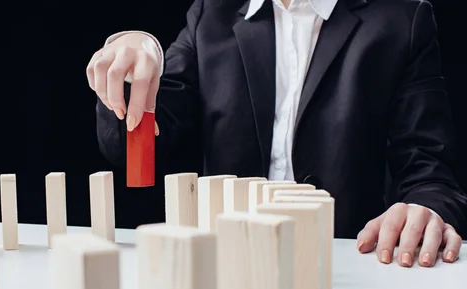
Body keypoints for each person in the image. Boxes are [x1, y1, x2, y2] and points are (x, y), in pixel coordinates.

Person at [86, 0, 465, 267]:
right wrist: (132, 58)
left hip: (349, 268)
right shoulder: (209, 16)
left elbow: (429, 172)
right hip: (228, 268)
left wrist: (426, 211)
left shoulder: (403, 18)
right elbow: (132, 147)